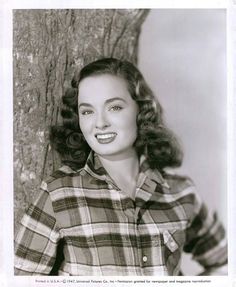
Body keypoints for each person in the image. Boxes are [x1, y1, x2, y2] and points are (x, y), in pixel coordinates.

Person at [14, 58, 227, 276]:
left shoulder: (180, 193)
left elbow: (225, 265)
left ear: (141, 110)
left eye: (114, 107)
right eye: (87, 111)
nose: (100, 123)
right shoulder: (58, 193)